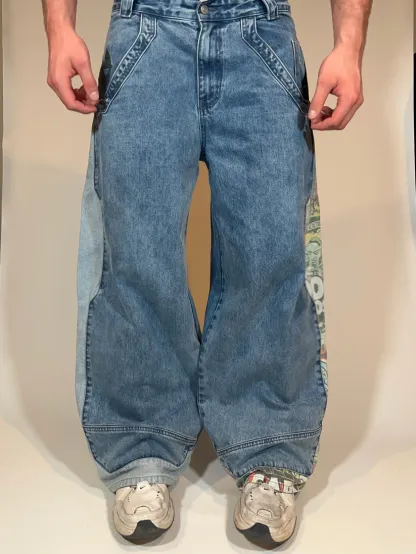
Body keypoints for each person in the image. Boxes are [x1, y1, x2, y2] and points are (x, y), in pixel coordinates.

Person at [42, 0, 372, 547]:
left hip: (261, 32)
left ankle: (269, 449)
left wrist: (349, 43)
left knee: (270, 254)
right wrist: (60, 28)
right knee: (137, 253)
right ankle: (141, 446)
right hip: (145, 29)